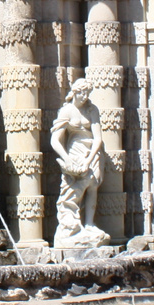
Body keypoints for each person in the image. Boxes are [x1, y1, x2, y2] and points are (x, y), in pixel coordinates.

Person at [50, 78, 105, 246]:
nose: (84, 96)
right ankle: (71, 226)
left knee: (93, 185)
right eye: (81, 92)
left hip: (92, 152)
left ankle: (89, 223)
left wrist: (90, 159)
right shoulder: (66, 111)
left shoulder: (91, 109)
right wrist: (67, 159)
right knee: (73, 188)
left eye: (87, 93)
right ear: (74, 91)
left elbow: (98, 139)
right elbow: (55, 140)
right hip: (74, 152)